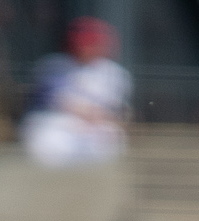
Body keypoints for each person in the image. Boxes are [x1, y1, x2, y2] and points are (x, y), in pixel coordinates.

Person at [22, 14, 130, 168]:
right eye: (83, 42)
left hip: (96, 127)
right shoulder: (53, 65)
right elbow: (51, 99)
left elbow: (118, 111)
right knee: (42, 136)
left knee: (111, 138)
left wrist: (98, 117)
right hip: (58, 122)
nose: (86, 48)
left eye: (92, 43)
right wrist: (82, 112)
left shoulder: (116, 73)